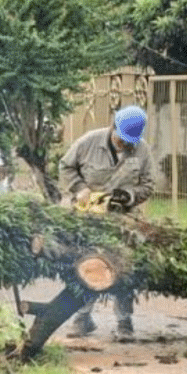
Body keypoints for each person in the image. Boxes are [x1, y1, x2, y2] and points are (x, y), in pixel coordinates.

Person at [59, 105, 155, 339]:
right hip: (89, 216)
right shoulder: (88, 142)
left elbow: (148, 185)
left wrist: (130, 196)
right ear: (113, 127)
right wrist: (80, 188)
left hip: (123, 219)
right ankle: (82, 317)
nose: (125, 144)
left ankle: (124, 322)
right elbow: (65, 166)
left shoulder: (142, 150)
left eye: (129, 141)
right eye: (121, 139)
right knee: (86, 265)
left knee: (125, 268)